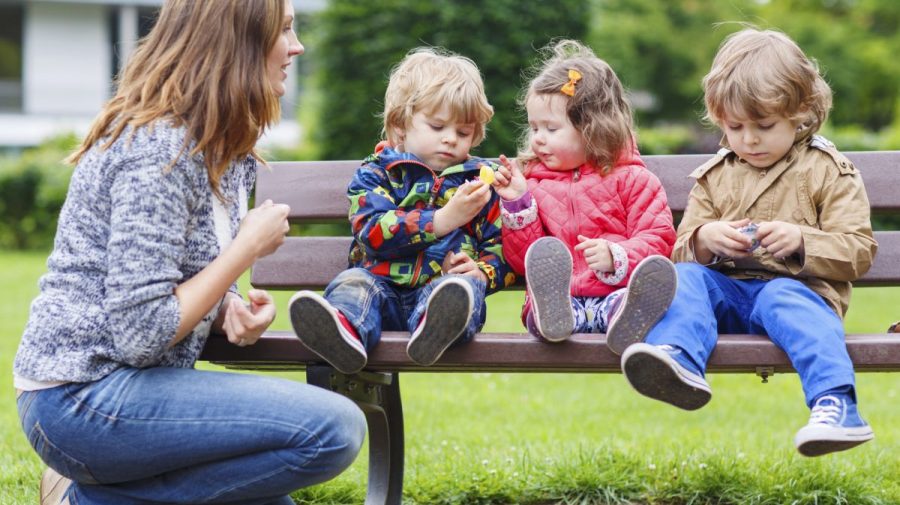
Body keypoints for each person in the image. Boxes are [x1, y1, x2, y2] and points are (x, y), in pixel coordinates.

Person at [14, 1, 366, 504]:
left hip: (135, 390)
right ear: (239, 41)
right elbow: (140, 333)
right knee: (334, 429)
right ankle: (82, 499)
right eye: (285, 30)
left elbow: (179, 278)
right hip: (81, 398)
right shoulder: (158, 151)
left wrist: (229, 310)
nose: (297, 46)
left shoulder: (228, 151)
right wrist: (244, 251)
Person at [619, 28, 878, 457]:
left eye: (764, 125)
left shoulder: (827, 169)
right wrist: (705, 240)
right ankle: (679, 359)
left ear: (802, 112)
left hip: (798, 296)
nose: (749, 139)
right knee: (685, 276)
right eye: (735, 126)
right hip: (729, 294)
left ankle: (837, 404)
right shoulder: (716, 175)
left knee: (781, 297)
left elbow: (858, 251)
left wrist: (800, 241)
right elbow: (680, 248)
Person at [288, 47, 515, 374]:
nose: (450, 139)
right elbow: (371, 231)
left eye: (463, 132)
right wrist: (442, 220)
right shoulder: (377, 173)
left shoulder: (481, 183)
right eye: (437, 127)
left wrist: (480, 270)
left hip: (439, 292)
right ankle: (344, 335)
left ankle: (433, 329)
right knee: (353, 282)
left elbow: (504, 245)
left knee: (460, 291)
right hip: (380, 292)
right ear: (400, 126)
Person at [493, 39, 677, 352]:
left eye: (551, 129)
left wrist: (615, 256)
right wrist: (517, 202)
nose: (538, 139)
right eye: (534, 128)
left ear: (592, 128)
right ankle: (552, 314)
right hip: (562, 302)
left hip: (616, 293)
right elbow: (524, 261)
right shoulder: (533, 183)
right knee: (542, 309)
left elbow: (658, 241)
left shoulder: (633, 180)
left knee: (626, 302)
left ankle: (628, 321)